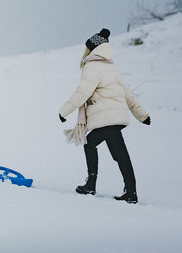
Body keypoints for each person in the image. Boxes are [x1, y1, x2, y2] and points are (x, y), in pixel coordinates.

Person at [58, 28, 151, 204]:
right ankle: (121, 189)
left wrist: (64, 111)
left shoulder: (92, 66)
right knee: (98, 146)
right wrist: (142, 115)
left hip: (107, 118)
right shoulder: (111, 67)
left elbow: (83, 91)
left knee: (115, 152)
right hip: (115, 117)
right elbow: (128, 94)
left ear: (92, 49)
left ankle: (114, 189)